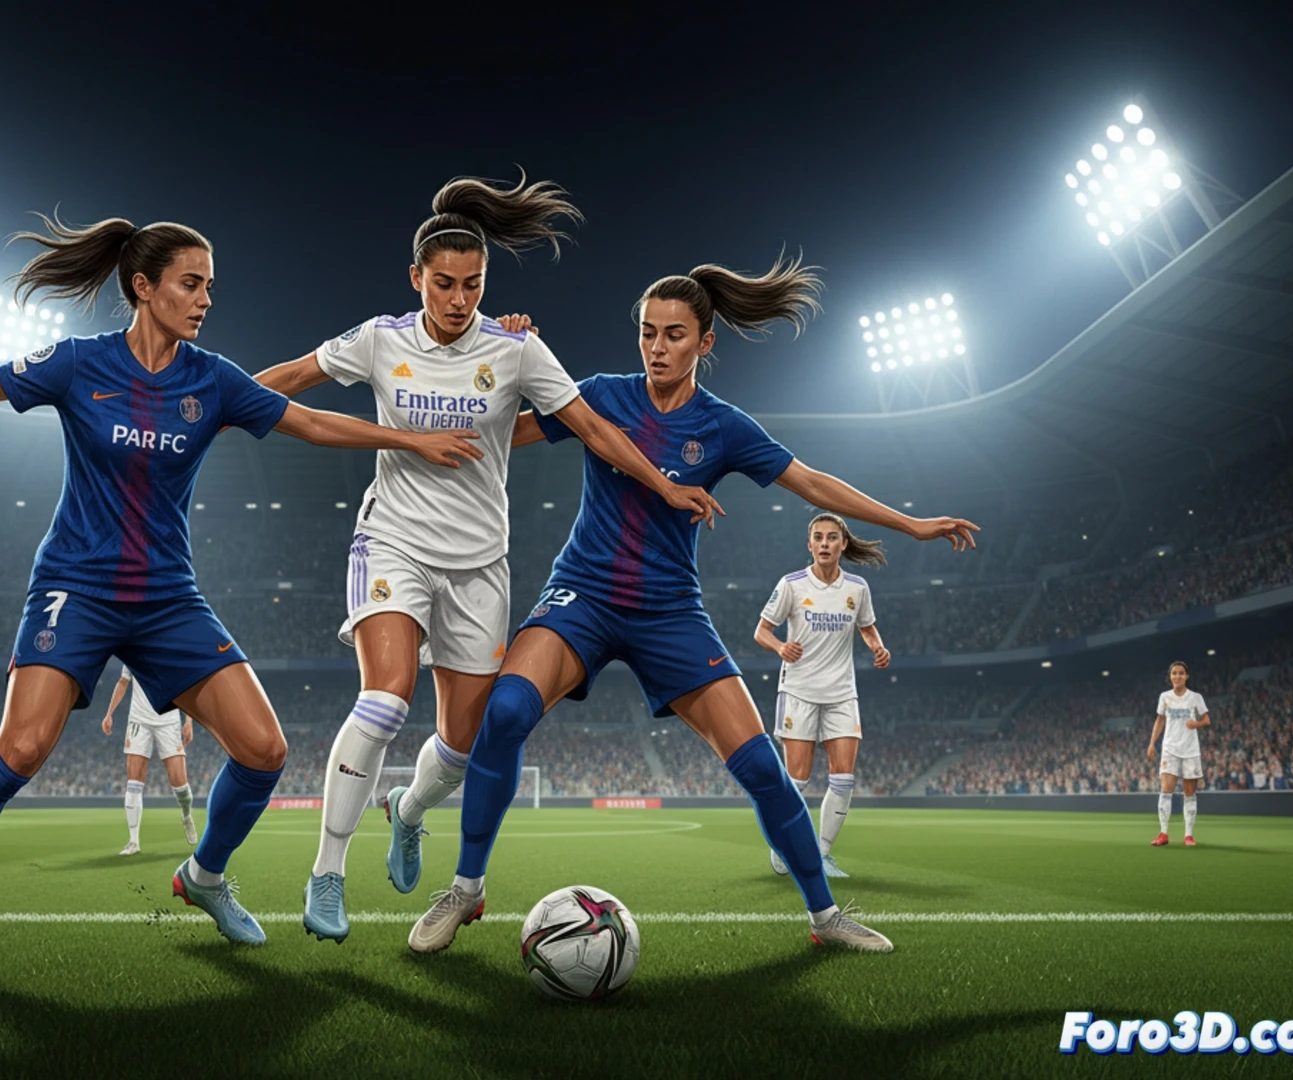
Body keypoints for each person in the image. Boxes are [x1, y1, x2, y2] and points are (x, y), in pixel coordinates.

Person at [0, 214, 484, 971]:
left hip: (166, 598)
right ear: (144, 287)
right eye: (191, 284)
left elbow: (313, 423)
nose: (205, 300)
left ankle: (205, 877)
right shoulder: (76, 363)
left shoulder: (212, 379)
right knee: (19, 749)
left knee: (264, 750)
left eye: (210, 287)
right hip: (76, 586)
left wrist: (409, 439)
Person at [409, 254, 978, 955]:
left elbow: (812, 483)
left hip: (670, 612)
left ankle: (826, 917)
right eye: (647, 332)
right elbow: (496, 430)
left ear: (704, 342)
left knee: (762, 767)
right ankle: (466, 889)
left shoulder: (724, 426)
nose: (656, 347)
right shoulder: (601, 395)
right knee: (503, 715)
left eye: (673, 335)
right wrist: (495, 358)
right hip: (581, 596)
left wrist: (912, 525)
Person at [251, 172, 721, 943]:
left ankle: (406, 810)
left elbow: (595, 427)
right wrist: (209, 405)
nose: (459, 298)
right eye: (444, 284)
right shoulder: (380, 339)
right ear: (417, 278)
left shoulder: (516, 348)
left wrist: (664, 485)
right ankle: (328, 872)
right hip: (393, 540)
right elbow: (288, 380)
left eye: (473, 284)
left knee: (463, 745)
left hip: (478, 565)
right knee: (385, 700)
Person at [753, 512, 891, 880]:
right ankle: (782, 846)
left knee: (844, 779)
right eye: (819, 537)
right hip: (799, 691)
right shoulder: (792, 585)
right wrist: (780, 647)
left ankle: (821, 855)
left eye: (832, 537)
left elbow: (868, 627)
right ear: (810, 544)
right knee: (796, 781)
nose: (825, 543)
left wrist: (878, 647)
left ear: (843, 544)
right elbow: (761, 631)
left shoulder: (857, 588)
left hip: (842, 693)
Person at [100, 665, 198, 852]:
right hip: (139, 720)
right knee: (134, 783)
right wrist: (109, 713)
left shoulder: (172, 653)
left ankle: (186, 815)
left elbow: (185, 685)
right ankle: (133, 841)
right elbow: (123, 682)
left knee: (180, 785)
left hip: (168, 721)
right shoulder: (132, 652)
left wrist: (188, 721)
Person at [1148, 660, 1211, 847]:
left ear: (1187, 676)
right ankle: (1163, 833)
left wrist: (1196, 724)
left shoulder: (1195, 697)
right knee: (1165, 790)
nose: (1177, 676)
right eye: (1174, 673)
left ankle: (1188, 835)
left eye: (1181, 673)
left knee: (1189, 794)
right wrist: (1152, 743)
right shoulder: (1165, 697)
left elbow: (1207, 720)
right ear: (1170, 676)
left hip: (1190, 750)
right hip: (1170, 749)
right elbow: (1160, 720)